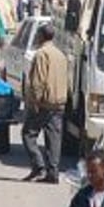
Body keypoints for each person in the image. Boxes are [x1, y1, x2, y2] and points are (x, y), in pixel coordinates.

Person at [23, 22, 67, 184]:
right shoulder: (60, 54)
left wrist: (34, 100)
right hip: (59, 103)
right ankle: (53, 172)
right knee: (54, 138)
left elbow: (38, 81)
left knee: (28, 134)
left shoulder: (41, 54)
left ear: (41, 36)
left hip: (44, 103)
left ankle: (39, 167)